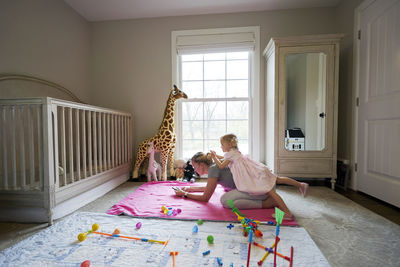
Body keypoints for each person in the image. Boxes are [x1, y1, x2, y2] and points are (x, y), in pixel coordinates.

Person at [173, 152, 293, 219]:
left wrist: (185, 194)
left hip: (260, 189)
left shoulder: (214, 170)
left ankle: (268, 203)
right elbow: (209, 188)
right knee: (226, 192)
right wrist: (189, 188)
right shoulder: (215, 166)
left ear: (201, 165)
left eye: (194, 166)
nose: (193, 169)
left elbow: (205, 197)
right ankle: (267, 199)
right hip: (262, 186)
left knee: (225, 200)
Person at [210, 133, 309, 197]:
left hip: (252, 171)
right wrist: (216, 155)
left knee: (269, 182)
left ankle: (300, 186)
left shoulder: (230, 154)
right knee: (278, 179)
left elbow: (221, 166)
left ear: (229, 145)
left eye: (222, 144)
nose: (221, 146)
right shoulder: (234, 151)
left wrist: (214, 157)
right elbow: (225, 158)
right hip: (255, 168)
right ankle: (300, 184)